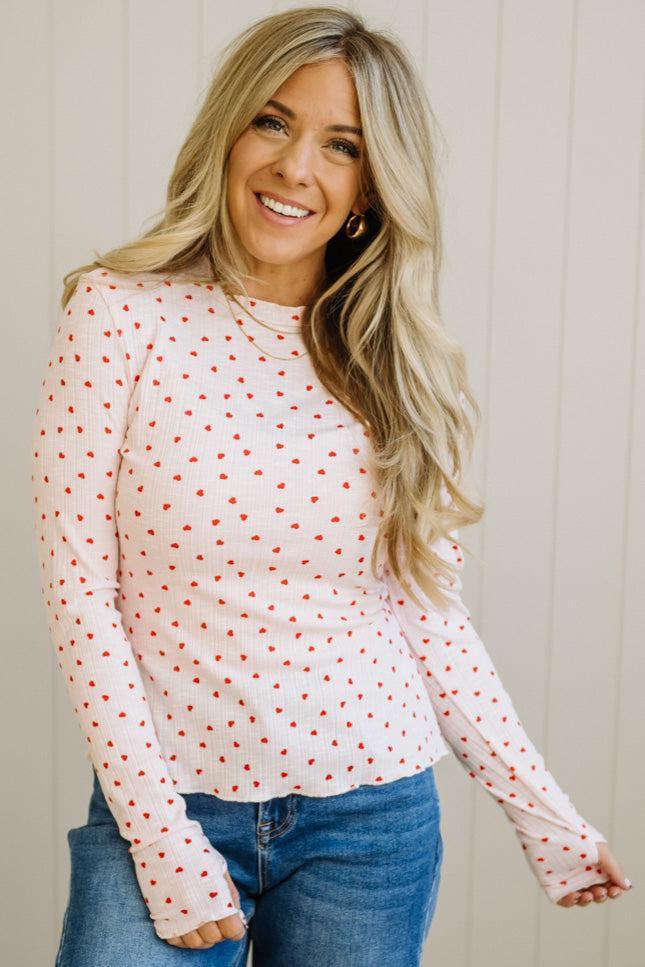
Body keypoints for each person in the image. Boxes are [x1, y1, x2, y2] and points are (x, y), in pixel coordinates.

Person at [30, 5, 631, 965]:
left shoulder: (397, 362)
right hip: (169, 799)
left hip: (370, 824)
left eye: (340, 145)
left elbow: (431, 616)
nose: (294, 167)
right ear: (228, 131)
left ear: (368, 187)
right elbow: (79, 594)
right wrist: (159, 834)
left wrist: (542, 813)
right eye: (273, 121)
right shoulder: (118, 313)